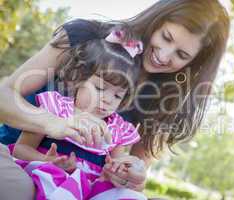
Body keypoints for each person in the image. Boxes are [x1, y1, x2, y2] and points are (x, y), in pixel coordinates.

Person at [0, 0, 230, 199]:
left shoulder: (164, 97)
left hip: (83, 185)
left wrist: (130, 176)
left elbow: (136, 169)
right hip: (14, 158)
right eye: (166, 37)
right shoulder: (85, 36)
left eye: (182, 55)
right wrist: (54, 122)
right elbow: (5, 96)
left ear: (194, 63)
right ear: (156, 20)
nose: (164, 56)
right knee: (20, 190)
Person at [9, 27, 146, 200]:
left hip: (90, 190)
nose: (108, 100)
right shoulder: (55, 109)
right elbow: (20, 149)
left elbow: (119, 166)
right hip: (51, 178)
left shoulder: (116, 130)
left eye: (118, 95)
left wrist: (121, 171)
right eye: (99, 88)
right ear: (78, 79)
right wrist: (46, 160)